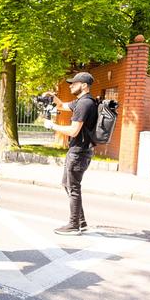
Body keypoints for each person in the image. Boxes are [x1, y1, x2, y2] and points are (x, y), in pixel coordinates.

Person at [43, 72, 98, 234]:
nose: (71, 85)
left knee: (73, 187)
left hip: (79, 152)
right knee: (67, 184)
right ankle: (81, 221)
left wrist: (51, 126)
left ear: (84, 85)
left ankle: (74, 225)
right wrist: (54, 97)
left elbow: (74, 131)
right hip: (79, 150)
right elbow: (61, 106)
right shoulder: (83, 101)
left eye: (75, 83)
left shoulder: (84, 104)